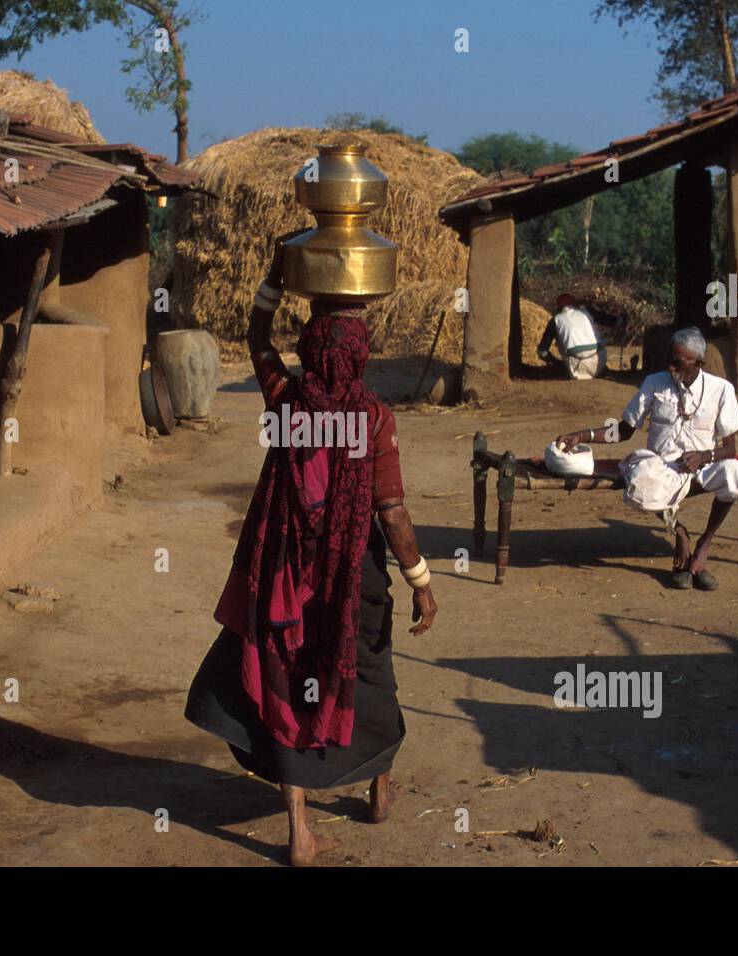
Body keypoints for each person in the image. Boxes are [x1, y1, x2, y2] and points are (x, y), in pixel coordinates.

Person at [185, 232, 438, 866]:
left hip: (288, 579)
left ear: (312, 351)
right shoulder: (376, 418)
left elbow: (256, 340)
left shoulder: (287, 403)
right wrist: (421, 578)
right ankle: (380, 789)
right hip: (355, 576)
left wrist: (273, 281)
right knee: (371, 674)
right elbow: (393, 511)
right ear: (362, 355)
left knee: (288, 684)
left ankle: (299, 829)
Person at [555, 326, 738, 590]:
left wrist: (705, 456)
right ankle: (680, 533)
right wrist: (583, 436)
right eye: (669, 360)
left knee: (735, 474)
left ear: (699, 363)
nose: (670, 368)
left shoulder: (721, 390)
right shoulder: (654, 383)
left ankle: (702, 549)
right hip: (661, 466)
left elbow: (730, 449)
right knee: (639, 477)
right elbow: (624, 431)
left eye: (678, 363)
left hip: (702, 466)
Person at [537, 293, 608, 380]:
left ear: (558, 307)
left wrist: (557, 364)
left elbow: (542, 351)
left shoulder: (556, 320)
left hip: (575, 367)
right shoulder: (587, 312)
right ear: (574, 304)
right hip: (599, 363)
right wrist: (621, 319)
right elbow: (612, 321)